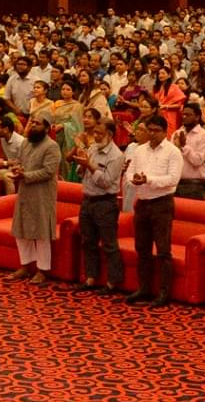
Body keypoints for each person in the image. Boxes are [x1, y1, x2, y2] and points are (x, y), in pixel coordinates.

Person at [124, 114, 182, 306]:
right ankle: (144, 288)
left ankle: (164, 293)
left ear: (165, 132)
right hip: (142, 202)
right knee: (142, 248)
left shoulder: (173, 152)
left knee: (163, 250)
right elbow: (130, 172)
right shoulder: (140, 150)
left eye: (156, 130)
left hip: (162, 203)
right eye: (149, 130)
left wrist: (148, 179)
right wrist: (133, 179)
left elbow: (172, 179)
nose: (152, 134)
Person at [69, 107, 126, 293]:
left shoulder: (116, 155)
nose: (96, 136)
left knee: (109, 244)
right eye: (95, 133)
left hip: (105, 203)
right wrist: (82, 166)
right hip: (87, 200)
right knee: (88, 242)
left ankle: (112, 283)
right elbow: (81, 174)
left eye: (99, 133)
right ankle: (91, 279)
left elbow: (106, 182)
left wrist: (90, 166)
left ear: (109, 134)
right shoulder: (92, 147)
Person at [7, 114, 62, 282]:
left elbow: (48, 171)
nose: (33, 126)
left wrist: (25, 175)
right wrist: (17, 169)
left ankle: (42, 270)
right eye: (32, 122)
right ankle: (25, 266)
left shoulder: (52, 147)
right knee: (21, 230)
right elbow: (21, 162)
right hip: (25, 191)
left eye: (38, 123)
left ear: (47, 128)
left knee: (41, 233)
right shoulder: (26, 143)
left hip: (42, 194)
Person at [175, 104, 205, 200]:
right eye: (183, 114)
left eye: (188, 115)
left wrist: (184, 146)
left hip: (194, 185)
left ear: (197, 117)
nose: (184, 117)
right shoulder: (177, 133)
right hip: (175, 182)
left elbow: (197, 161)